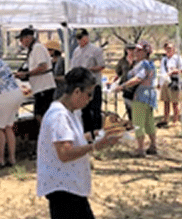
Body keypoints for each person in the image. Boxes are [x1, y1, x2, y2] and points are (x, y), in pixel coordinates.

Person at [37, 67, 122, 219]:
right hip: (63, 189)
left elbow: (72, 138)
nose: (90, 99)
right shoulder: (59, 116)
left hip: (71, 186)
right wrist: (96, 146)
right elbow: (64, 153)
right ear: (77, 92)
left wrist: (98, 133)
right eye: (89, 94)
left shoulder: (70, 112)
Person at [115, 41, 158, 157]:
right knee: (149, 122)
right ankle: (153, 146)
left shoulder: (143, 64)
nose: (136, 52)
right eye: (136, 50)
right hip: (149, 95)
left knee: (138, 122)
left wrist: (122, 86)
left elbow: (138, 79)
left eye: (139, 50)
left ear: (146, 52)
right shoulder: (148, 63)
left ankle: (140, 149)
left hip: (141, 95)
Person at [14, 28, 56, 124]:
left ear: (28, 38)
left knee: (42, 115)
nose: (21, 42)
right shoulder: (32, 50)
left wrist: (27, 74)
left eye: (22, 39)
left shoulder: (38, 48)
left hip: (44, 87)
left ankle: (48, 135)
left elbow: (43, 66)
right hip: (38, 88)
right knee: (38, 115)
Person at [70, 28, 105, 139]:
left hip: (94, 85)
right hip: (82, 86)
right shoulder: (76, 51)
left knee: (95, 111)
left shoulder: (95, 50)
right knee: (84, 111)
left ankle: (97, 135)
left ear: (87, 37)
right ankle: (87, 136)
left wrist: (88, 69)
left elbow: (101, 66)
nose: (79, 40)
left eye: (81, 37)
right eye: (77, 38)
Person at [157, 42, 182, 128]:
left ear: (174, 49)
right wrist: (159, 83)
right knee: (166, 101)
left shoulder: (177, 58)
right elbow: (162, 71)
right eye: (167, 48)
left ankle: (175, 120)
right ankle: (166, 118)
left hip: (174, 81)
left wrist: (174, 71)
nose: (169, 50)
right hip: (165, 81)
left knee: (175, 102)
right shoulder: (164, 59)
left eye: (170, 48)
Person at [114, 43, 136, 120]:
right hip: (125, 86)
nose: (131, 51)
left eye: (133, 49)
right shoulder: (122, 61)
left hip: (136, 85)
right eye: (129, 49)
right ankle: (131, 121)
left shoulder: (139, 60)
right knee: (128, 105)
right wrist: (113, 81)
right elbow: (118, 73)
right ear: (126, 50)